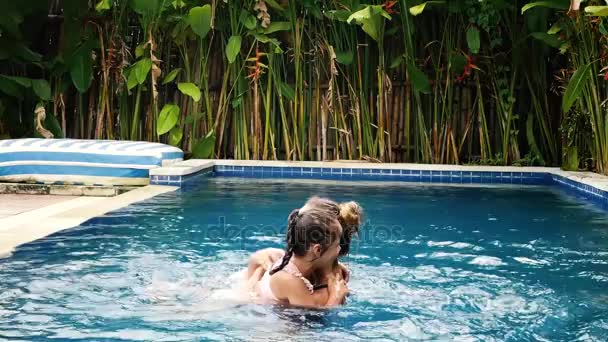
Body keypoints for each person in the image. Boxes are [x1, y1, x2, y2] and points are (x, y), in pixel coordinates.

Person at [247, 197, 362, 308]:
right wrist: (336, 296)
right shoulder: (290, 281)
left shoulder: (300, 261)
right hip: (248, 303)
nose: (339, 249)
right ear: (317, 250)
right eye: (337, 246)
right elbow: (314, 315)